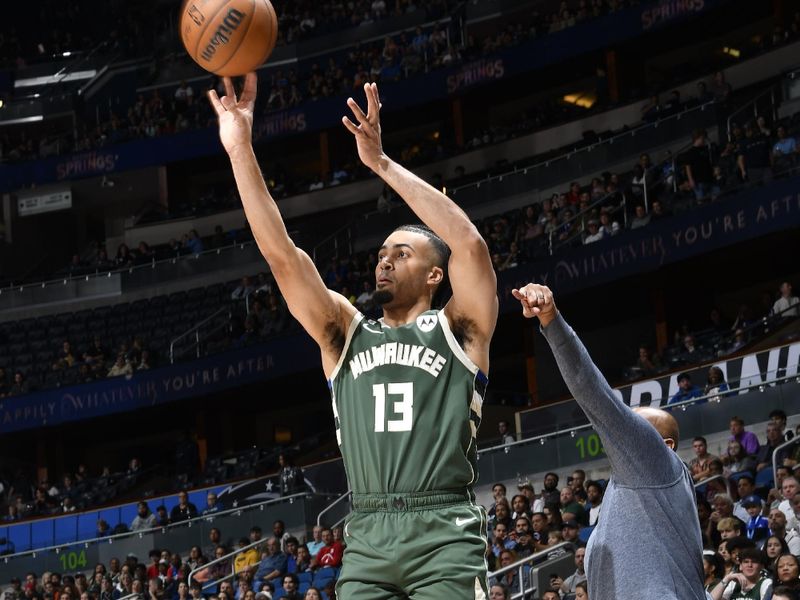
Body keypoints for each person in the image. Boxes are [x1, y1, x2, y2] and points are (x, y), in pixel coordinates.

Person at [209, 75, 498, 599]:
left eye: (402, 253)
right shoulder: (344, 332)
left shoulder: (461, 328)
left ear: (436, 275)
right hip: (366, 533)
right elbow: (282, 256)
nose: (384, 259)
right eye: (382, 252)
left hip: (443, 529)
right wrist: (239, 149)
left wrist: (382, 165)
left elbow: (470, 246)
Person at [513, 283, 705, 598]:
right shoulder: (643, 490)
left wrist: (552, 321)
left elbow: (594, 392)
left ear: (665, 445)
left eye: (636, 425)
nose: (624, 427)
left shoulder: (655, 463)